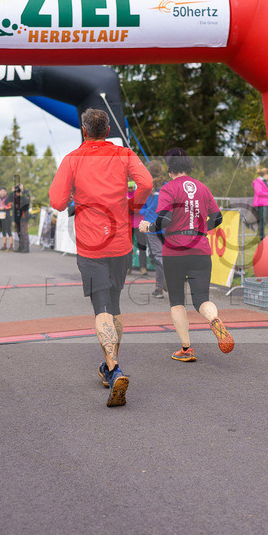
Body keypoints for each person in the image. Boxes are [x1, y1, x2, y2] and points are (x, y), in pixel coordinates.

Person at [49, 108, 152, 407]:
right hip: (120, 243)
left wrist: (78, 197)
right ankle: (109, 368)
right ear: (107, 130)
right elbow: (145, 183)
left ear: (84, 130)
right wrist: (133, 204)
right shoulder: (124, 154)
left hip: (92, 243)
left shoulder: (72, 159)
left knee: (102, 307)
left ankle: (115, 367)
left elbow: (56, 201)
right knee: (115, 305)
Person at [141, 148, 234, 362]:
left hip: (175, 250)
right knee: (201, 299)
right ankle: (214, 320)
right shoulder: (202, 188)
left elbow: (164, 219)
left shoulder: (168, 188)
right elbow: (218, 218)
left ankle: (186, 349)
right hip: (200, 248)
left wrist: (148, 227)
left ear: (169, 167)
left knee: (176, 301)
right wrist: (201, 227)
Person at [139, 159, 167, 299]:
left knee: (156, 257)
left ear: (148, 172)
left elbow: (141, 209)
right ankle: (159, 288)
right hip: (165, 225)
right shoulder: (167, 186)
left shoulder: (148, 188)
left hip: (151, 227)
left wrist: (145, 211)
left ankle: (168, 277)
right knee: (160, 256)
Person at [128, 182, 149, 275]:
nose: (130, 189)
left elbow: (145, 208)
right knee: (128, 247)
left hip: (139, 224)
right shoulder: (123, 194)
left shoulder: (139, 195)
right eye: (128, 187)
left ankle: (143, 267)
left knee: (142, 246)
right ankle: (127, 268)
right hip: (128, 224)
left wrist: (137, 210)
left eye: (132, 187)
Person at [252, 167, 268, 240]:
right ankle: (262, 238)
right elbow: (259, 192)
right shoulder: (257, 182)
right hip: (261, 204)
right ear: (265, 174)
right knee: (263, 221)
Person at [13, 183, 31, 253]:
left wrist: (21, 195)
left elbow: (27, 203)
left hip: (23, 217)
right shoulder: (15, 196)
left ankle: (26, 247)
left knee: (24, 232)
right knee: (19, 233)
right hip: (17, 217)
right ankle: (21, 247)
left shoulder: (25, 195)